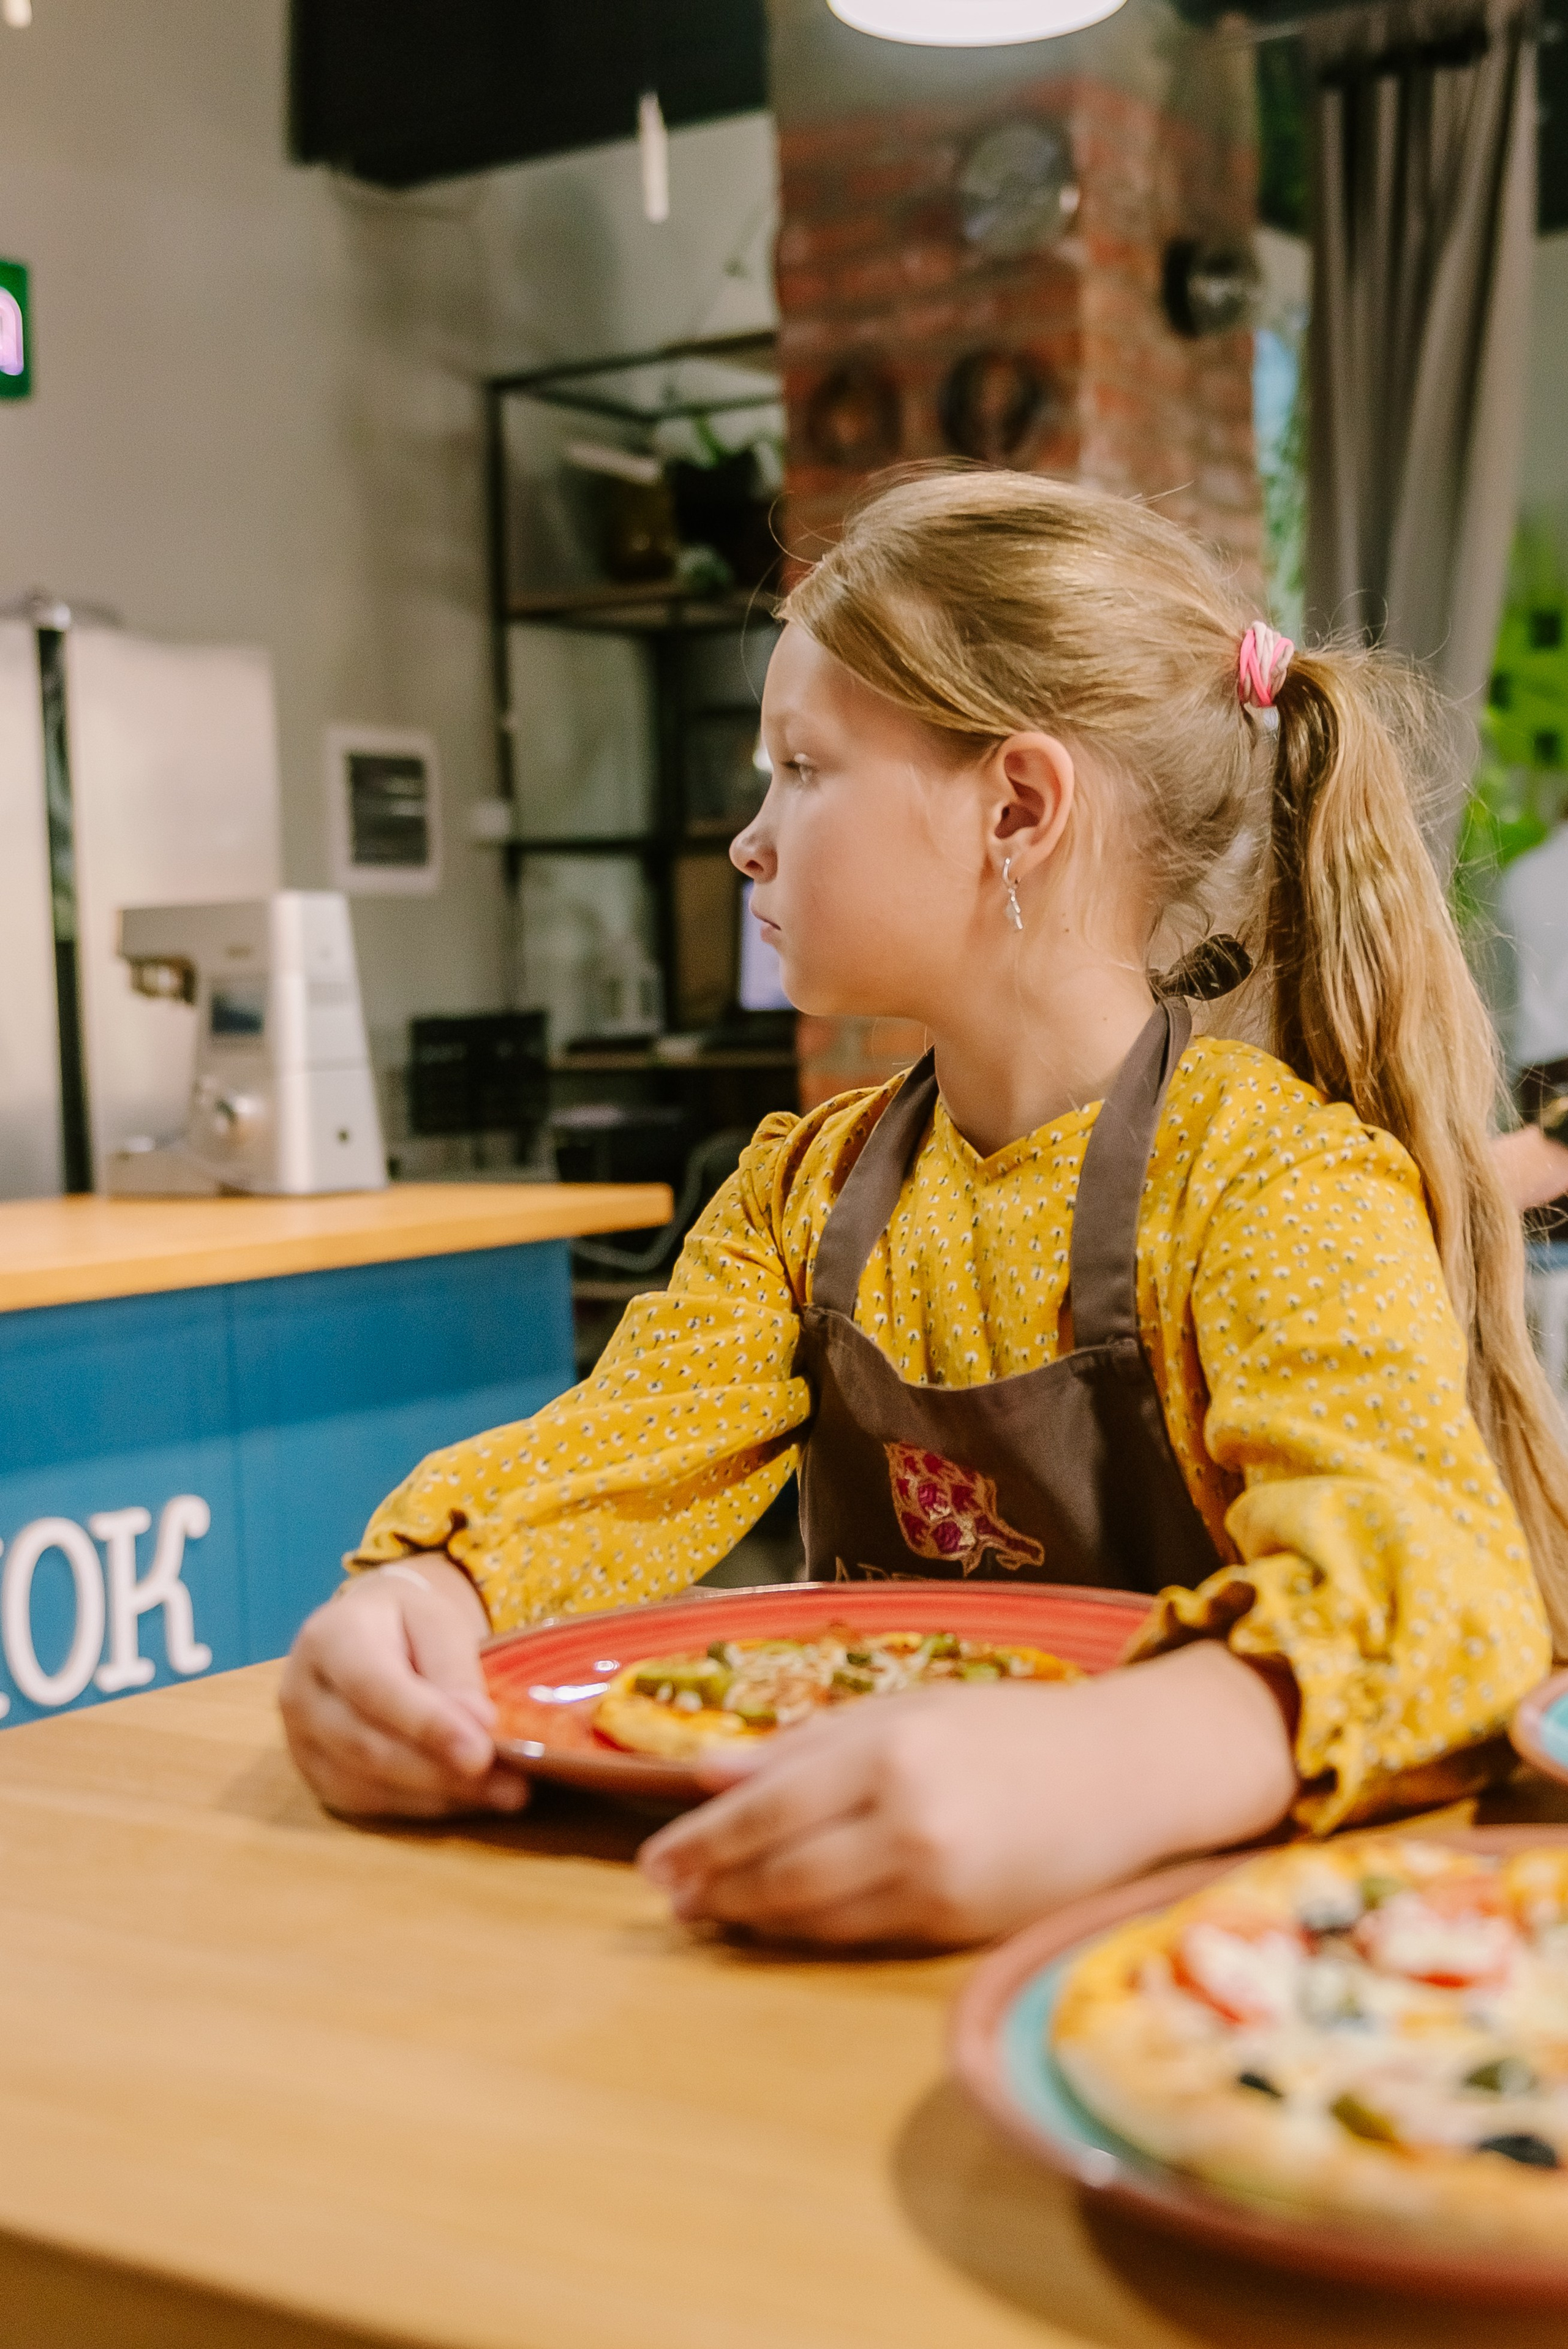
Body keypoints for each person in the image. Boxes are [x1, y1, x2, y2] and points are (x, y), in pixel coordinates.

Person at [281, 469, 1566, 1948]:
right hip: (841, 1921)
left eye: (800, 769)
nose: (744, 842)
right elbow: (608, 1459)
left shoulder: (1267, 1179)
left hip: (1189, 1949)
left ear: (1016, 805)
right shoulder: (800, 1189)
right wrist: (425, 1596)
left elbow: (1444, 1601)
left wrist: (1104, 1765)